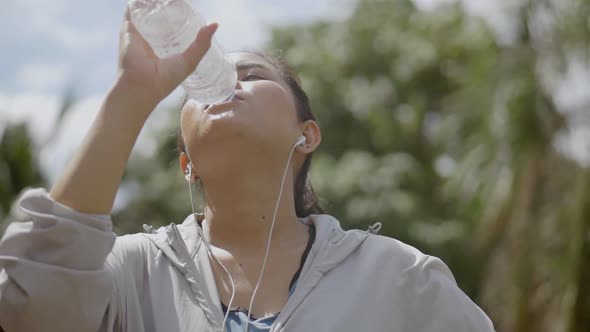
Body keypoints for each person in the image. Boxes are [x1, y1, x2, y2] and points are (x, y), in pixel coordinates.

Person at [0, 6, 495, 332]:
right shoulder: (130, 273)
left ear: (307, 135)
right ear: (187, 165)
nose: (225, 86)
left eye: (253, 76)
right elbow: (28, 309)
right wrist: (132, 93)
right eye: (198, 90)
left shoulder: (401, 279)